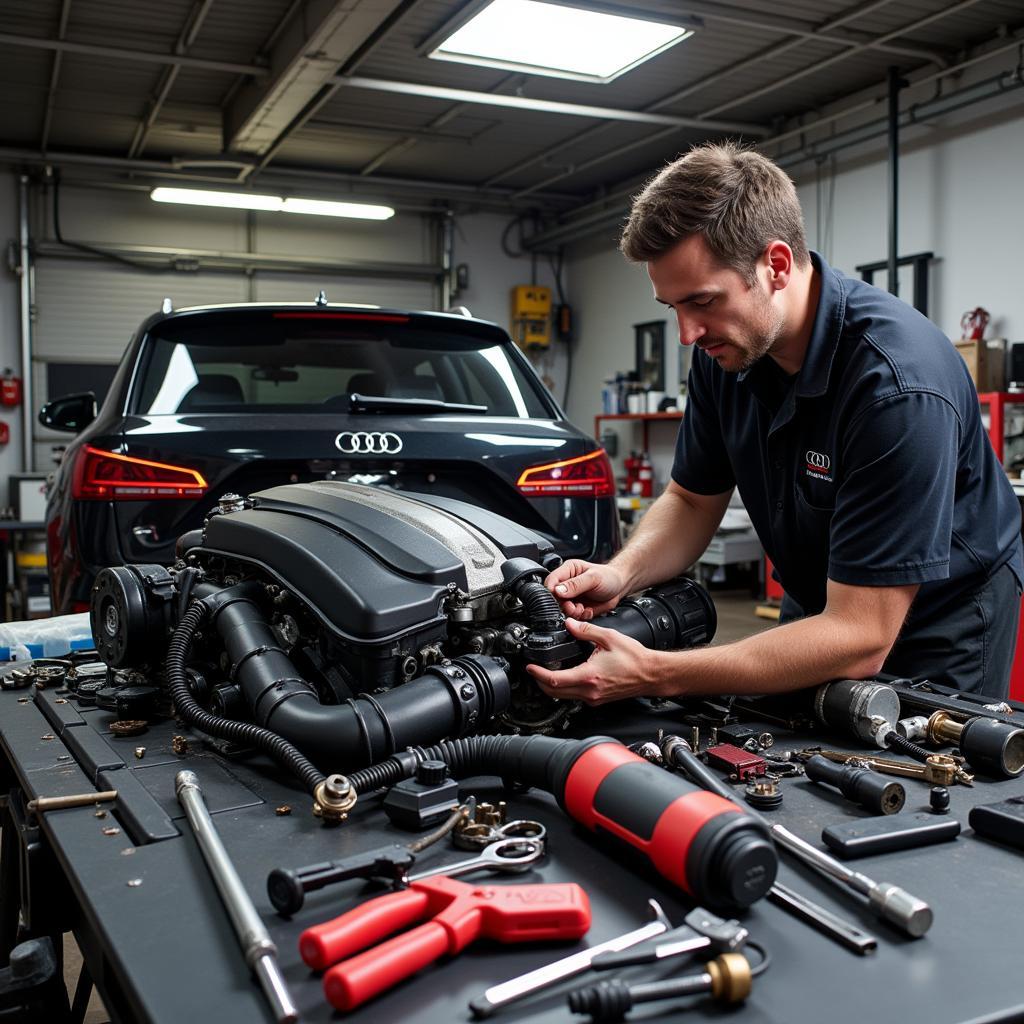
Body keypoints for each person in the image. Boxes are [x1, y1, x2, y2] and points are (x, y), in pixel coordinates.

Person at [527, 142, 1023, 703]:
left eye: (703, 302)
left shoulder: (897, 388)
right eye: (674, 309)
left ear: (777, 265)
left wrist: (658, 672)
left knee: (928, 781)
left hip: (940, 622)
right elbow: (692, 499)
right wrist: (622, 574)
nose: (688, 334)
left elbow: (860, 635)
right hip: (825, 601)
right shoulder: (727, 351)